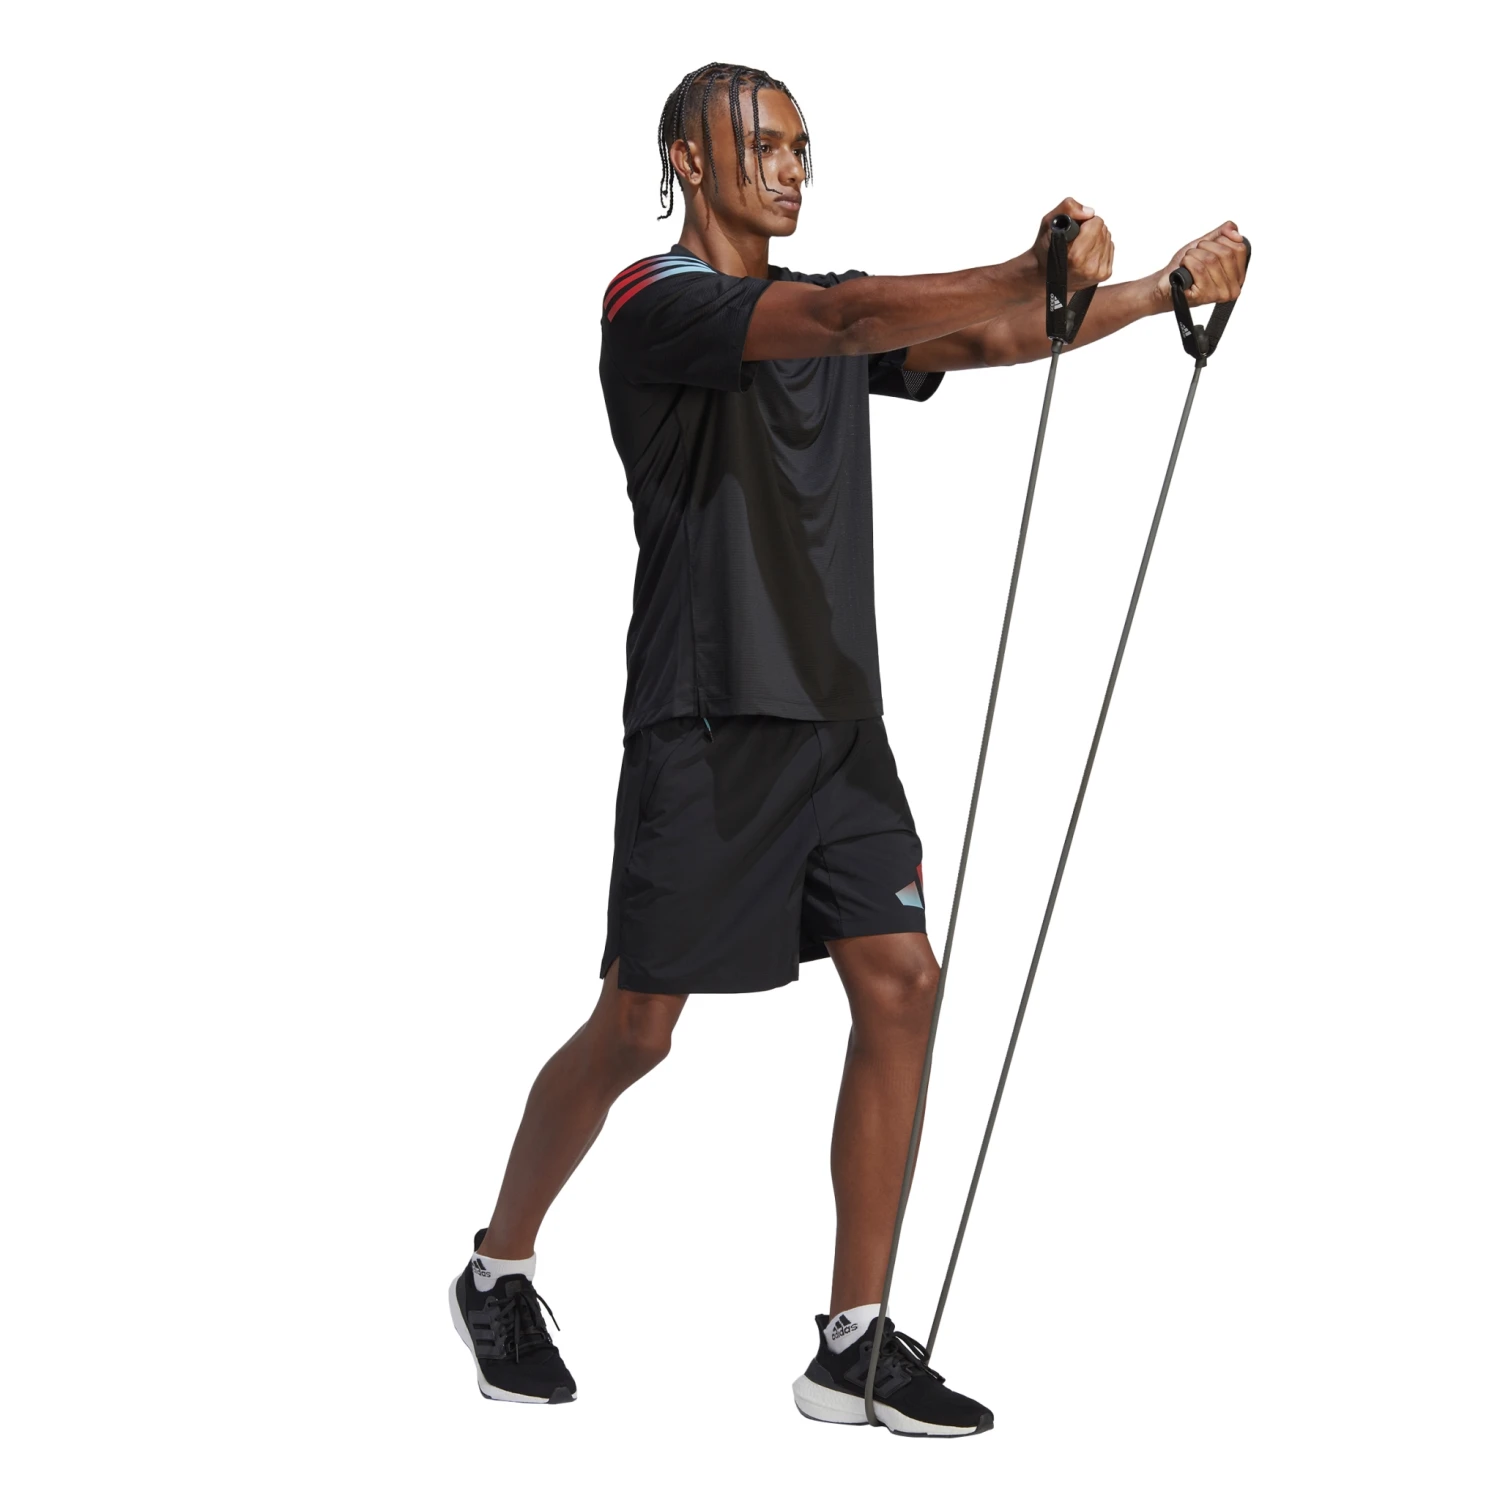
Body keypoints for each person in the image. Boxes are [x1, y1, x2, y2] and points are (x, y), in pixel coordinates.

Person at [448, 61, 1248, 1437]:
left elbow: (984, 341)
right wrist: (1029, 261)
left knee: (901, 981)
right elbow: (852, 314)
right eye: (762, 144)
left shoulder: (824, 312)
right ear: (687, 159)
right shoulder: (653, 303)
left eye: (803, 146)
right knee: (639, 1029)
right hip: (706, 719)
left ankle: (853, 1342)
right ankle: (496, 1268)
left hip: (838, 726)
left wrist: (1153, 291)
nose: (790, 167)